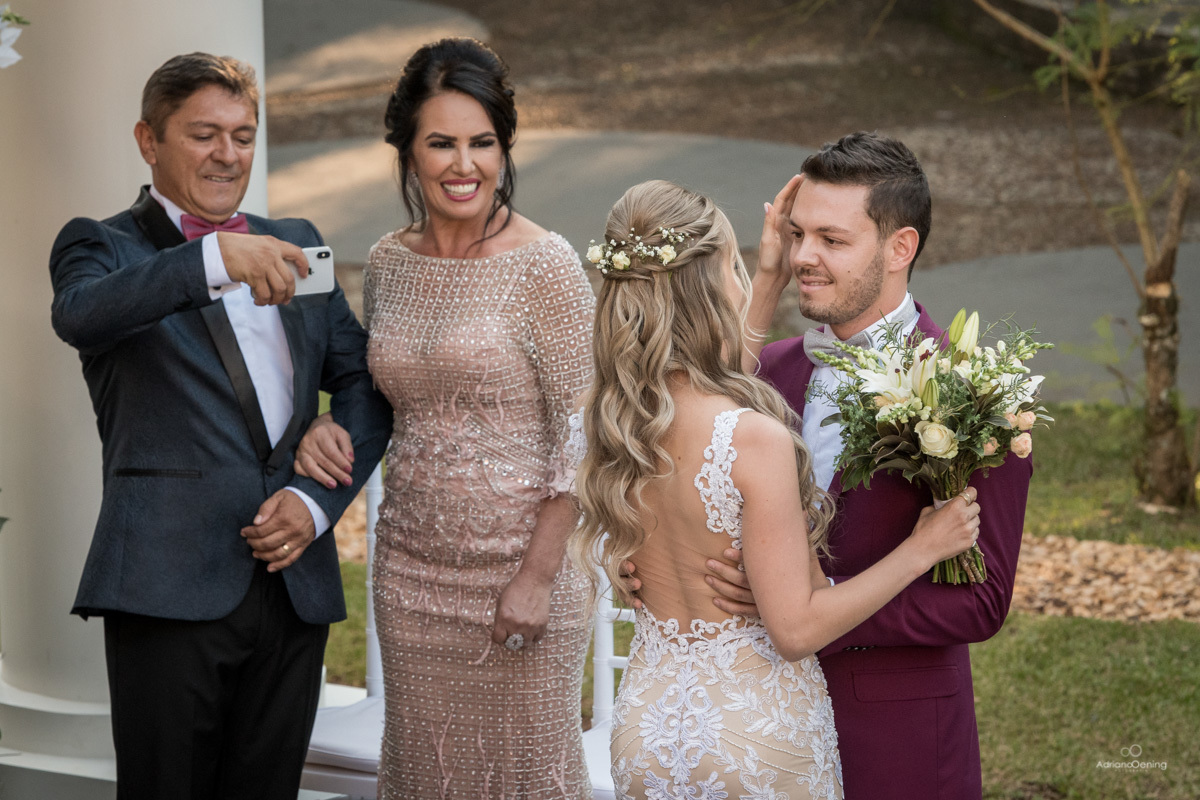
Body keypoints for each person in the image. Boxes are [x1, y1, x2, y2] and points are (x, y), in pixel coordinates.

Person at [48, 52, 393, 800]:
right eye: (205, 134)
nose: (228, 154)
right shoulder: (100, 246)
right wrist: (211, 257)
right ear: (149, 140)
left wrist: (314, 498)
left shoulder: (297, 237)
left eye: (243, 135)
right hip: (166, 585)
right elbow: (80, 316)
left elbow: (365, 383)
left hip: (293, 582)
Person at [569, 179, 983, 800]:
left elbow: (713, 383)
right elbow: (795, 629)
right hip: (754, 737)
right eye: (734, 268)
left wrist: (765, 281)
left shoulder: (608, 423)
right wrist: (921, 549)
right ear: (712, 286)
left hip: (648, 732)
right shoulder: (752, 438)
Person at [294, 38, 595, 799]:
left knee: (524, 780)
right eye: (442, 143)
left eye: (482, 143)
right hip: (411, 577)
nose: (464, 165)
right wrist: (316, 424)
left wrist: (535, 576)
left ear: (505, 148)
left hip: (524, 577)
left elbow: (584, 436)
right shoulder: (389, 262)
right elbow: (381, 396)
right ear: (407, 151)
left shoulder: (546, 265)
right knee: (427, 778)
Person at [701, 132, 1034, 799]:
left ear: (899, 248)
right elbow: (696, 458)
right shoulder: (770, 369)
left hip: (895, 738)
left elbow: (983, 600)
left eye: (832, 239)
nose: (804, 258)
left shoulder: (972, 392)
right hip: (757, 725)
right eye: (796, 236)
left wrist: (812, 607)